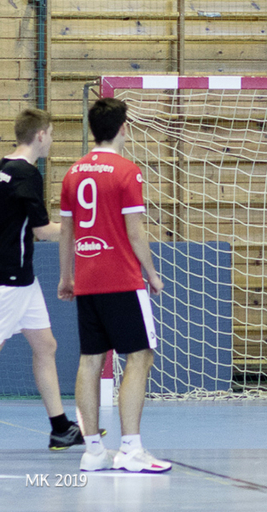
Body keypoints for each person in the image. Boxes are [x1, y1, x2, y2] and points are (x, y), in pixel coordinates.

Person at [59, 98, 170, 473]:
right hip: (122, 279)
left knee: (90, 360)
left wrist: (66, 277)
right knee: (140, 357)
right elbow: (135, 233)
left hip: (87, 280)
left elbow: (67, 233)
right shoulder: (127, 171)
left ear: (93, 128)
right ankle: (131, 449)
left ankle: (92, 451)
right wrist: (152, 274)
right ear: (124, 127)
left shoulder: (73, 172)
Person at [0, 109, 87, 450]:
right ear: (40, 136)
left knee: (46, 346)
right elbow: (43, 231)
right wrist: (83, 227)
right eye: (50, 133)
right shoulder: (27, 175)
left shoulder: (3, 167)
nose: (52, 139)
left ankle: (61, 428)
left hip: (22, 278)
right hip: (10, 279)